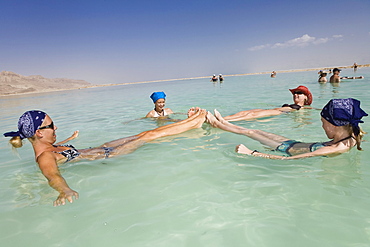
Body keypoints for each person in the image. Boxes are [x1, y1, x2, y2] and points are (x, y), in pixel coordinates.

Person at [4, 108, 207, 206]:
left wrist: (71, 139)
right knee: (148, 136)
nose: (55, 127)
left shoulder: (48, 147)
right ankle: (194, 123)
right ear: (39, 132)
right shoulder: (44, 158)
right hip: (109, 155)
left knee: (141, 135)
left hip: (102, 148)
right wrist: (64, 190)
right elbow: (53, 176)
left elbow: (57, 150)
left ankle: (190, 122)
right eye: (51, 126)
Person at [206, 98, 367, 160]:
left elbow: (288, 160)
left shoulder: (335, 148)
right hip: (294, 143)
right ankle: (223, 123)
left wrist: (251, 153)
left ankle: (217, 124)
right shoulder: (352, 134)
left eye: (323, 122)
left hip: (285, 149)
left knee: (251, 133)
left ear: (334, 125)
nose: (322, 125)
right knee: (253, 131)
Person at [223, 85, 313, 122]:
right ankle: (221, 118)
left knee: (251, 115)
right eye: (294, 93)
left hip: (281, 112)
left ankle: (225, 121)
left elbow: (315, 110)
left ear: (306, 97)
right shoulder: (289, 104)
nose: (296, 94)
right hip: (271, 110)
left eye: (299, 93)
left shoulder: (304, 108)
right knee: (244, 112)